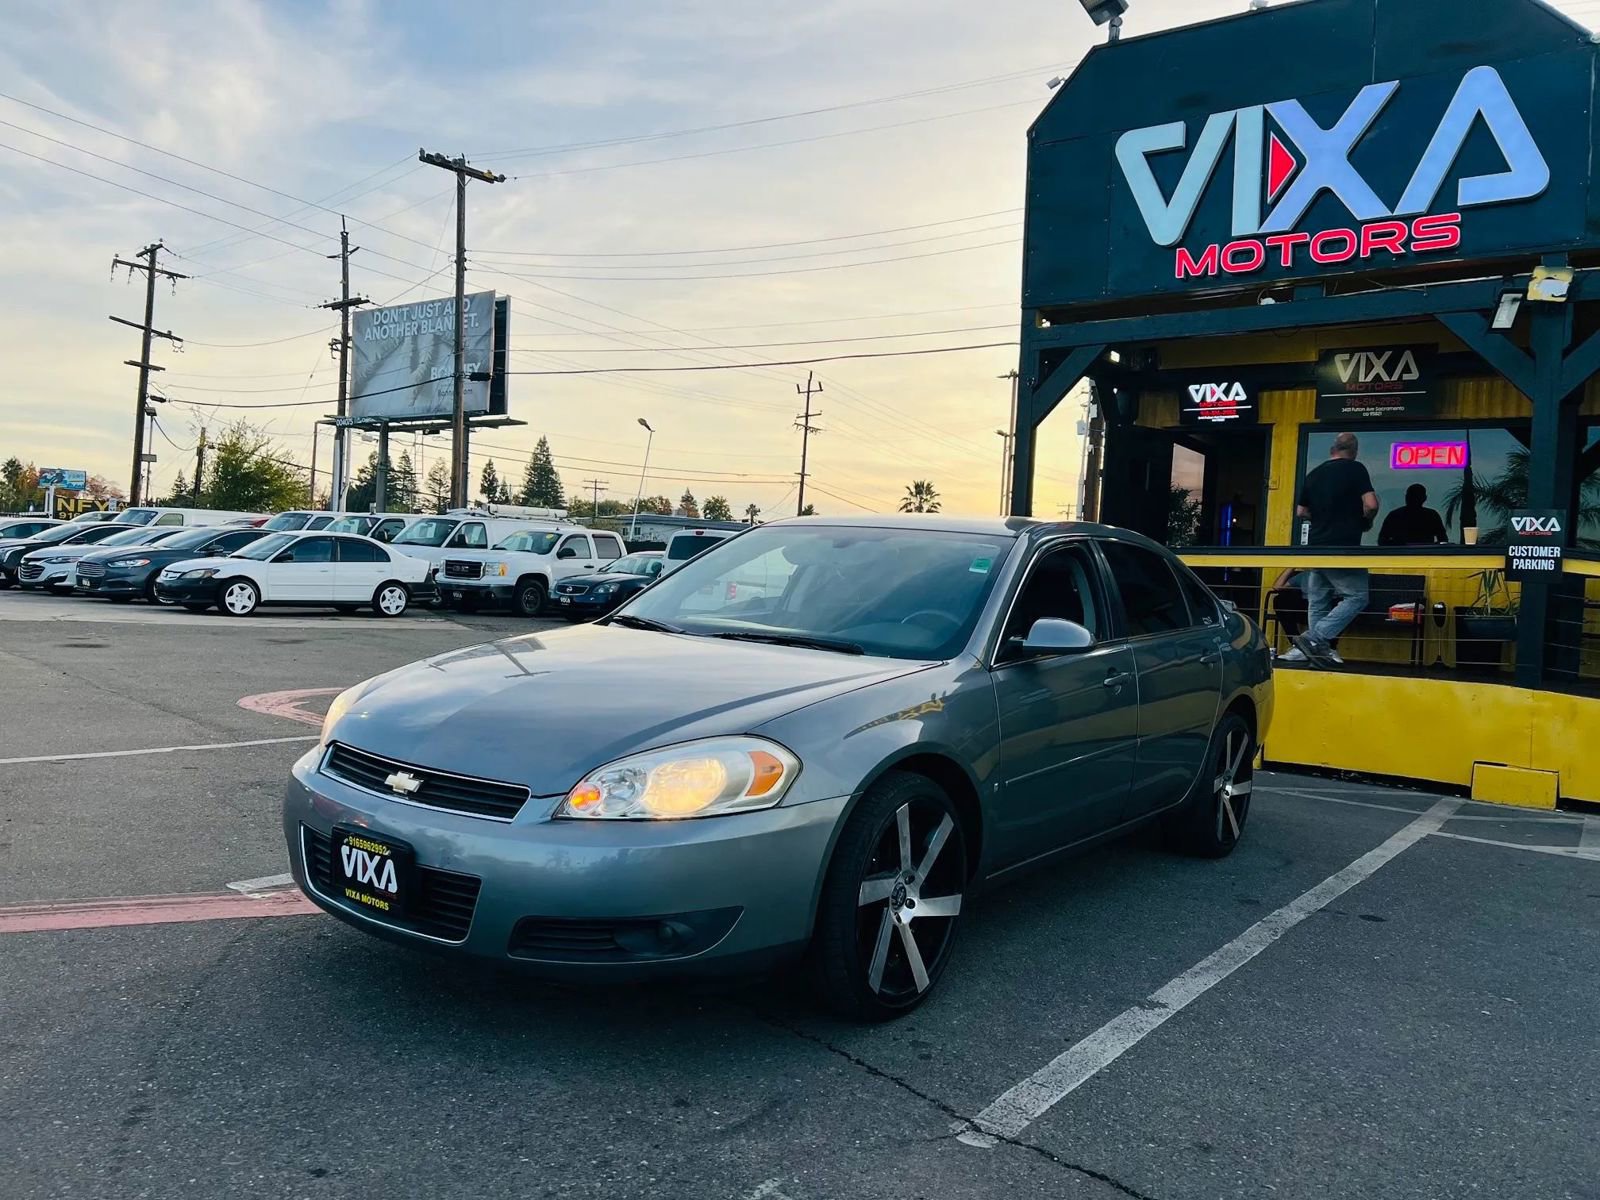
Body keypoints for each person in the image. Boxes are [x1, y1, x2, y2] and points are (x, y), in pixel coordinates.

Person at [1286, 432, 1379, 668]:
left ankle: (1316, 654)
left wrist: (1322, 519)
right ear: (1354, 451)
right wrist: (1365, 521)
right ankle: (1313, 639)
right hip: (1343, 547)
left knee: (1318, 601)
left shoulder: (1314, 473)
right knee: (1357, 597)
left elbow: (1301, 512)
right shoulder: (1356, 469)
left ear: (1332, 450)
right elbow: (1371, 504)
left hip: (1315, 547)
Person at [1378, 484, 1449, 546]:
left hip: (1419, 554)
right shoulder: (1432, 515)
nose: (1413, 499)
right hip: (1410, 554)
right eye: (1412, 496)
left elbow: (1443, 540)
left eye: (1416, 496)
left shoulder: (1394, 515)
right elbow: (1443, 540)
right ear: (1425, 498)